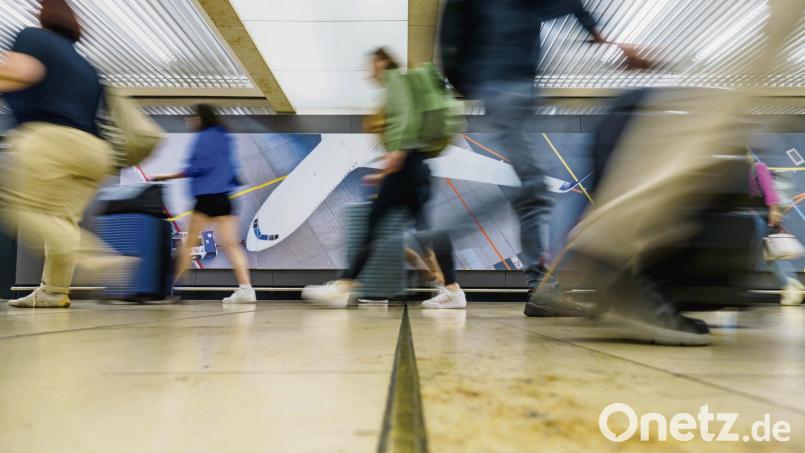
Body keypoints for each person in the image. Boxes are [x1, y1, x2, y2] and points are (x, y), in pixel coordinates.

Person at [460, 0, 649, 317]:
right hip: (505, 90)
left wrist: (605, 40)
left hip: (512, 90)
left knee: (532, 188)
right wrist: (607, 40)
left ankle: (543, 287)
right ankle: (542, 290)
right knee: (534, 187)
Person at [302, 48, 466, 309]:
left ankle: (343, 286)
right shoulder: (399, 84)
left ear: (381, 62)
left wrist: (398, 151)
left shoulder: (394, 80)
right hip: (415, 165)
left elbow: (405, 116)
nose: (369, 70)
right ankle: (453, 290)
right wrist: (386, 169)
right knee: (426, 230)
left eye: (371, 64)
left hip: (408, 162)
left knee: (373, 226)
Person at [0, 0, 129, 308]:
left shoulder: (33, 37)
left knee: (17, 207)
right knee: (61, 220)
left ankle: (94, 256)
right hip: (95, 152)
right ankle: (54, 291)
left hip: (50, 140)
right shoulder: (87, 67)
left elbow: (22, 71)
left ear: (44, 16)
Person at [152, 104, 256, 305]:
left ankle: (167, 289)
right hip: (225, 198)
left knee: (189, 243)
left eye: (191, 117)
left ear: (200, 118)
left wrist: (166, 176)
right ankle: (247, 289)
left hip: (206, 199)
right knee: (231, 244)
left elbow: (194, 168)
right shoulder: (225, 136)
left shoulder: (203, 137)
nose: (189, 121)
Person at [749, 159, 804, 306]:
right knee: (769, 255)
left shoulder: (757, 166)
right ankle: (790, 283)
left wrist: (774, 209)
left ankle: (790, 284)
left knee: (769, 254)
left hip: (759, 215)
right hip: (758, 214)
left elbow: (766, 184)